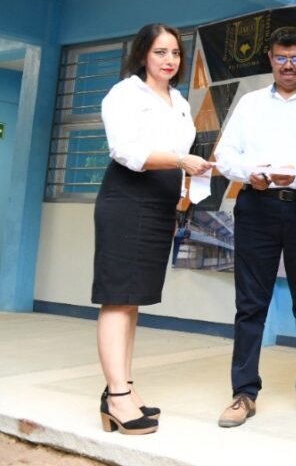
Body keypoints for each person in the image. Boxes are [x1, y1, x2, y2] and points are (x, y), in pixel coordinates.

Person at [213, 26, 296, 428]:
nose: (289, 66)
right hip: (257, 207)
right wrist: (252, 172)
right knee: (250, 305)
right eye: (282, 58)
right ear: (270, 59)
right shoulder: (250, 104)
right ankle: (244, 393)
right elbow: (225, 155)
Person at [94, 23, 213, 434]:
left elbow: (181, 151)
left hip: (161, 203)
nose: (169, 60)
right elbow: (125, 151)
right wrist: (182, 163)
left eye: (175, 53)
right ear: (143, 53)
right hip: (127, 199)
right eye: (160, 52)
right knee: (117, 296)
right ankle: (116, 397)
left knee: (133, 299)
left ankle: (123, 387)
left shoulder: (178, 100)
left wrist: (188, 180)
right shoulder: (125, 93)